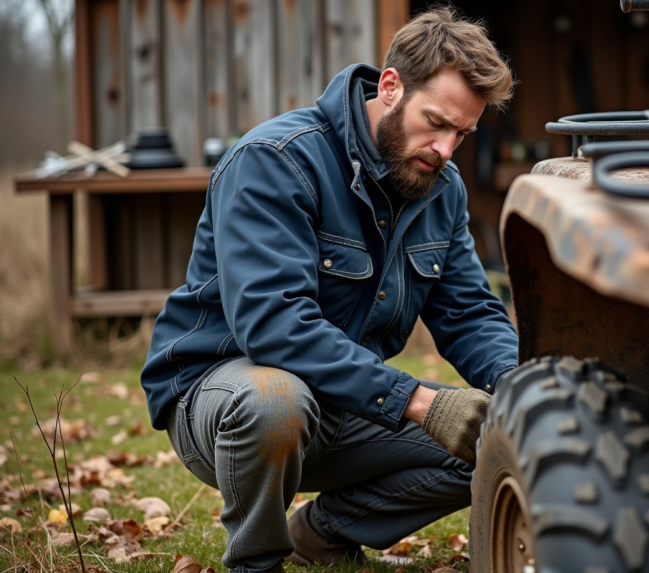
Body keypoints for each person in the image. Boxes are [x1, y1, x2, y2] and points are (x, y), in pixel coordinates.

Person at [140, 6, 519, 572]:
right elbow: (274, 326)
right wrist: (419, 402)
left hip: (346, 399)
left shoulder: (441, 188)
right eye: (436, 122)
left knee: (500, 440)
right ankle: (257, 561)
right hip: (225, 398)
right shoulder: (275, 161)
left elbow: (468, 313)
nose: (445, 148)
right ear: (390, 87)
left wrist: (522, 390)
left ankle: (322, 533)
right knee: (274, 399)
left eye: (461, 134)